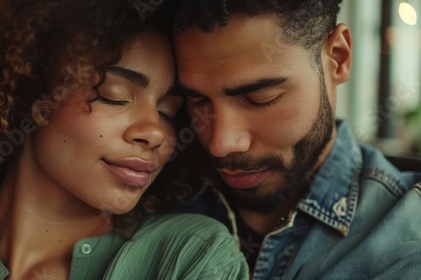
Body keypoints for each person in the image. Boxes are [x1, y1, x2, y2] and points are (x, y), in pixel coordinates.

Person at [0, 0, 249, 279]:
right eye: (114, 96)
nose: (155, 132)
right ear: (30, 94)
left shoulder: (190, 254)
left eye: (168, 111)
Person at [171, 0, 421, 279]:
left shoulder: (407, 240)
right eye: (197, 100)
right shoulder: (156, 199)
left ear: (338, 57)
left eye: (260, 99)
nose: (221, 144)